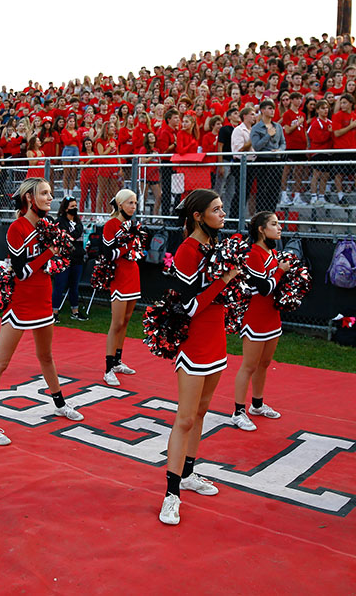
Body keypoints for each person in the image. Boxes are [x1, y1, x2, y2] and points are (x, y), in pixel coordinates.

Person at [0, 178, 84, 446]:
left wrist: (55, 255)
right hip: (22, 303)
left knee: (46, 356)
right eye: (45, 193)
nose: (51, 198)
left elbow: (54, 263)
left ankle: (59, 403)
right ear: (29, 198)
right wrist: (49, 252)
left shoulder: (48, 225)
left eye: (51, 193)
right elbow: (22, 272)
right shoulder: (17, 228)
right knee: (0, 363)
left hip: (43, 301)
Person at [160, 188, 239, 526]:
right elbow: (190, 306)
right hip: (194, 344)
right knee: (185, 418)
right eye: (216, 209)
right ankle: (170, 494)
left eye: (223, 209)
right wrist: (225, 279)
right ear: (197, 215)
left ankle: (189, 474)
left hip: (217, 341)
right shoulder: (187, 250)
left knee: (202, 412)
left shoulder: (216, 247)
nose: (223, 214)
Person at [229, 211, 290, 432]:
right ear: (261, 230)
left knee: (264, 363)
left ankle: (257, 404)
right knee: (249, 365)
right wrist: (282, 272)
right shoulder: (253, 253)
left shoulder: (271, 251)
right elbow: (264, 289)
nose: (279, 227)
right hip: (255, 317)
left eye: (279, 224)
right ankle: (238, 411)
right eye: (274, 224)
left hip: (272, 316)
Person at [101, 189, 141, 387]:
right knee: (116, 323)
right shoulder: (111, 224)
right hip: (119, 277)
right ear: (120, 204)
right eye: (130, 203)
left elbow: (136, 249)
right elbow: (109, 254)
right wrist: (131, 242)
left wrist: (135, 240)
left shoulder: (130, 224)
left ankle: (117, 361)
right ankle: (108, 368)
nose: (133, 206)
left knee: (125, 321)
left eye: (135, 203)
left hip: (133, 274)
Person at [51, 197, 87, 321]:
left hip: (77, 258)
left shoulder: (78, 221)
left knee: (74, 286)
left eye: (75, 206)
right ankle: (54, 313)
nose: (74, 209)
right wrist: (75, 233)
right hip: (64, 259)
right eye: (72, 207)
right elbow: (66, 237)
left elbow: (74, 235)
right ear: (65, 208)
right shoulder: (60, 221)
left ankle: (75, 312)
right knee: (59, 286)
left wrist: (74, 233)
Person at [249, 100, 286, 213]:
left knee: (274, 190)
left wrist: (279, 150)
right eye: (269, 108)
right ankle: (261, 215)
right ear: (263, 110)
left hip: (276, 161)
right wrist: (267, 135)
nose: (272, 111)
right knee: (262, 190)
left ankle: (271, 214)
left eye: (273, 109)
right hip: (263, 161)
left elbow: (283, 143)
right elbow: (256, 146)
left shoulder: (278, 126)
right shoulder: (256, 128)